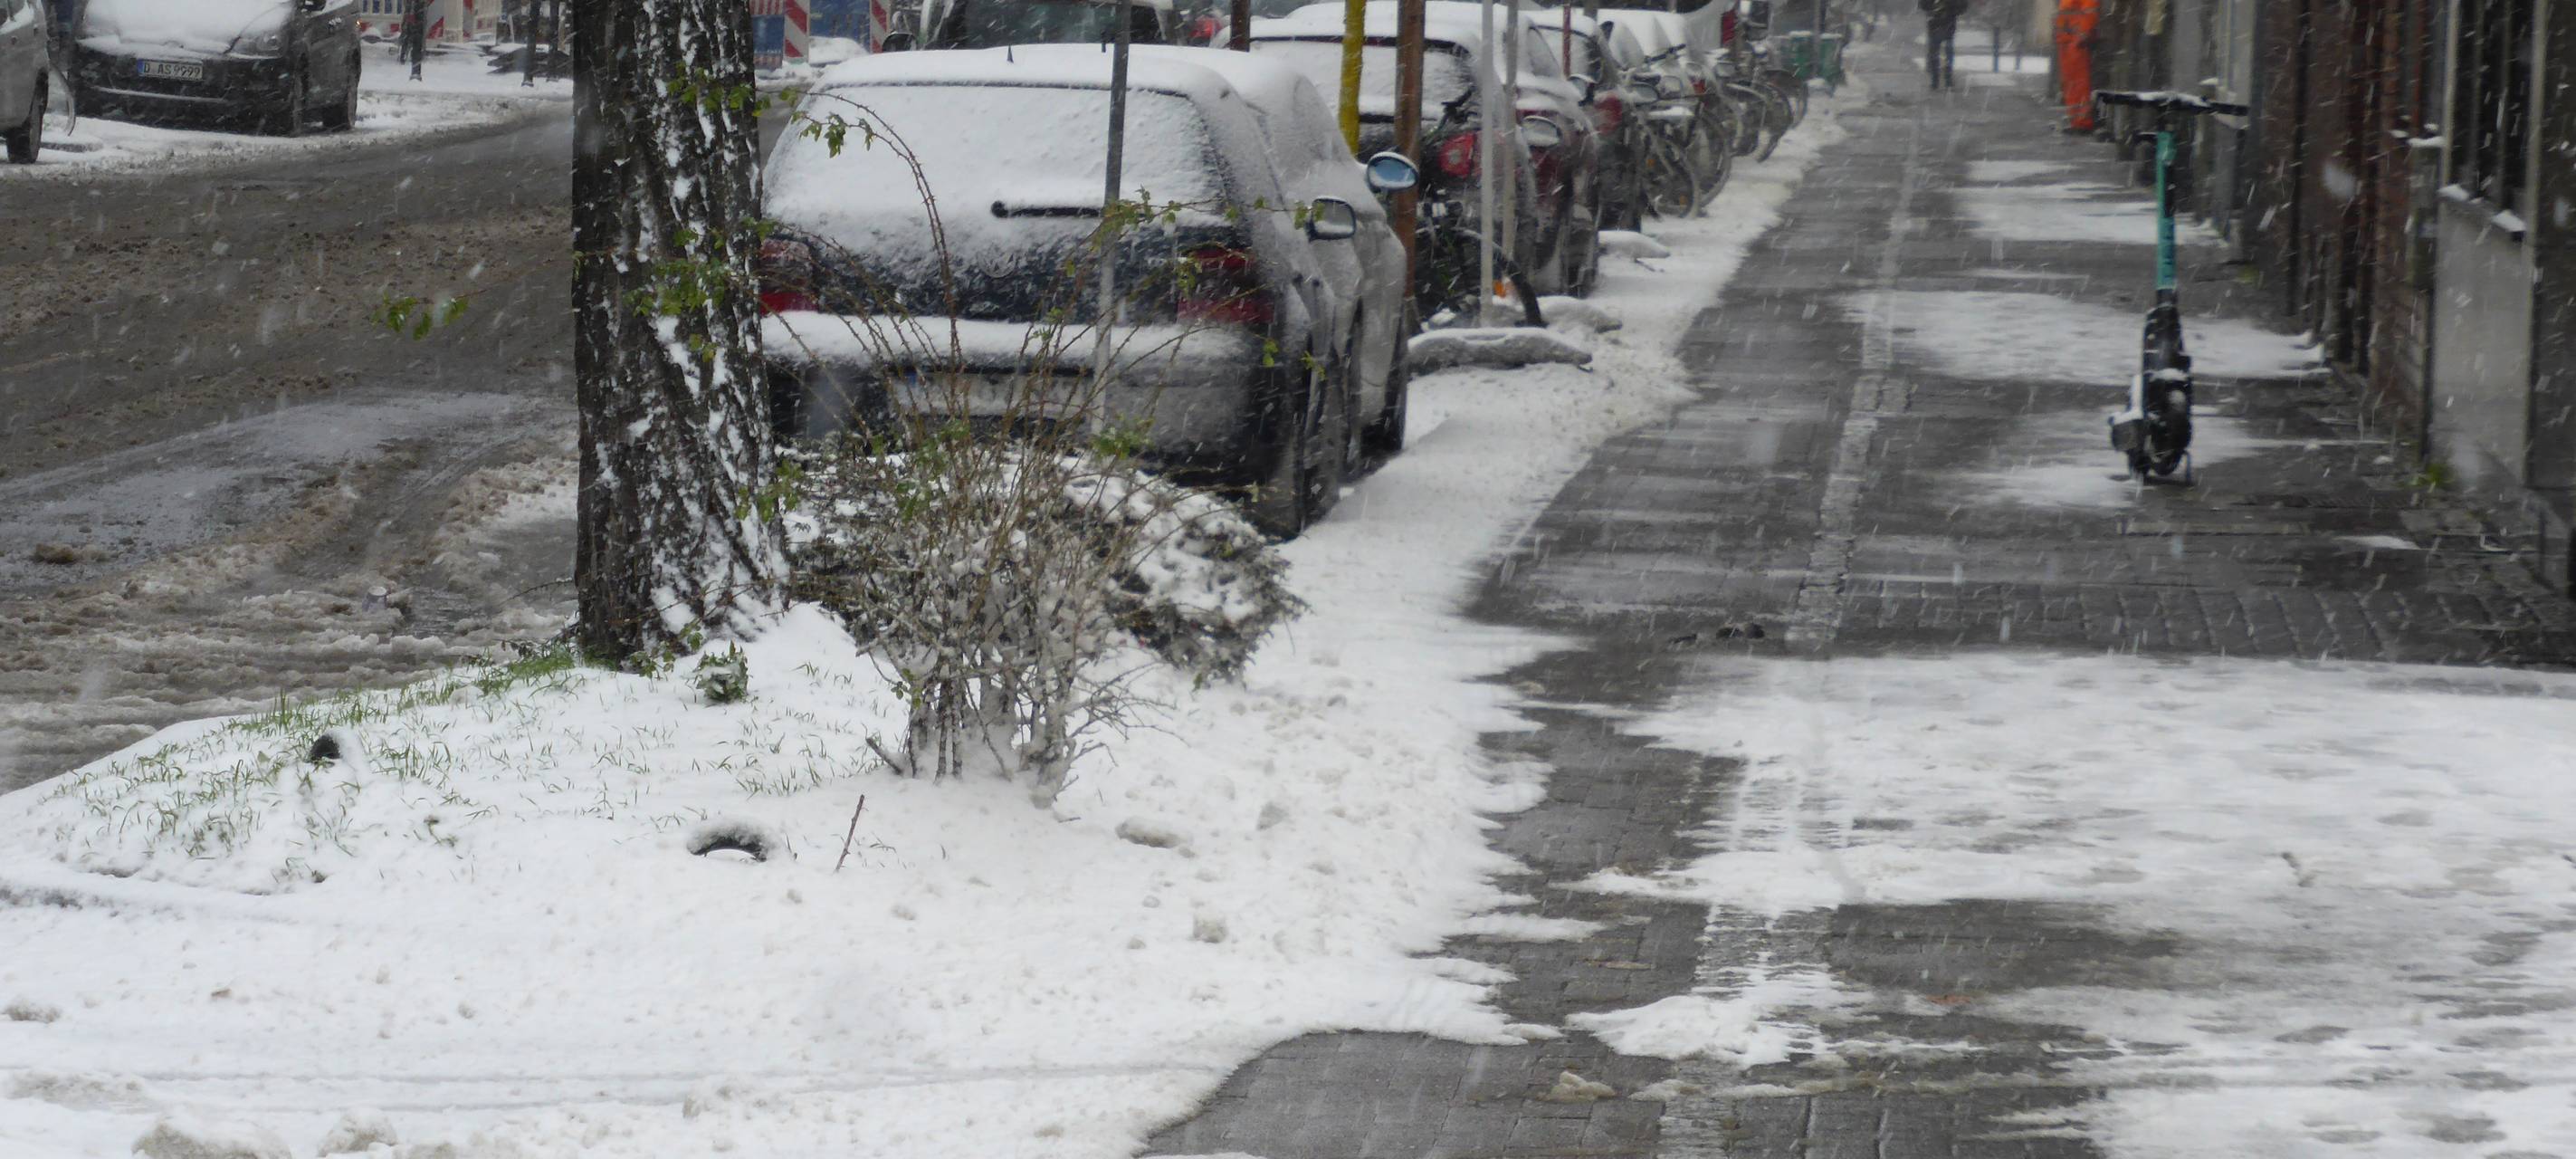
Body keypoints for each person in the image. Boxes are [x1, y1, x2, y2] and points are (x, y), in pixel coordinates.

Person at [1919, 0, 1963, 90]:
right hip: (1936, 26)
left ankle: (1946, 79)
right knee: (1936, 53)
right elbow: (1923, 5)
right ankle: (1937, 79)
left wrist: (1949, 7)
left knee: (1946, 52)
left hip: (1946, 25)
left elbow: (1962, 6)